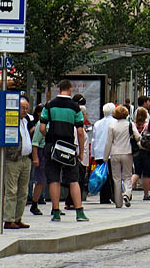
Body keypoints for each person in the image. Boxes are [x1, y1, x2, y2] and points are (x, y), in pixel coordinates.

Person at [39, 79, 88, 222]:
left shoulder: (49, 105)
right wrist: (80, 151)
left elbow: (42, 128)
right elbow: (80, 132)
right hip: (68, 148)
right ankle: (79, 212)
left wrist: (50, 137)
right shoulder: (75, 108)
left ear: (59, 89)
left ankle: (55, 212)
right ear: (70, 89)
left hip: (52, 147)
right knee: (73, 180)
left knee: (54, 180)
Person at [2, 97, 33, 229]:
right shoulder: (11, 121)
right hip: (13, 159)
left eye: (26, 108)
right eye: (22, 108)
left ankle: (17, 217)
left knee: (23, 191)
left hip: (26, 159)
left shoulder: (26, 121)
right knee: (12, 190)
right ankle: (9, 219)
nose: (25, 111)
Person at [103, 105, 139, 208]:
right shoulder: (130, 124)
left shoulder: (112, 126)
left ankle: (118, 202)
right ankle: (127, 193)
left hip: (114, 153)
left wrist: (105, 157)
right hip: (127, 152)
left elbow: (108, 142)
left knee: (116, 178)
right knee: (127, 176)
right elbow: (137, 136)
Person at [92, 103, 116, 205]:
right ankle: (114, 195)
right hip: (112, 152)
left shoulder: (97, 124)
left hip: (99, 152)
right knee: (113, 175)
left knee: (102, 175)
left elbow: (94, 139)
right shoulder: (115, 122)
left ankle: (104, 197)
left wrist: (93, 153)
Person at [131, 107, 150, 200]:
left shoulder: (133, 125)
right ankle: (146, 194)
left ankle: (128, 190)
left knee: (137, 172)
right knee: (146, 173)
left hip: (136, 151)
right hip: (146, 151)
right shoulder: (147, 126)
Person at [28, 111, 47, 216]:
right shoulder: (41, 124)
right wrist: (35, 157)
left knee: (53, 180)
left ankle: (55, 207)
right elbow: (35, 142)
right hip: (41, 152)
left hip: (49, 152)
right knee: (40, 180)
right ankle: (34, 203)